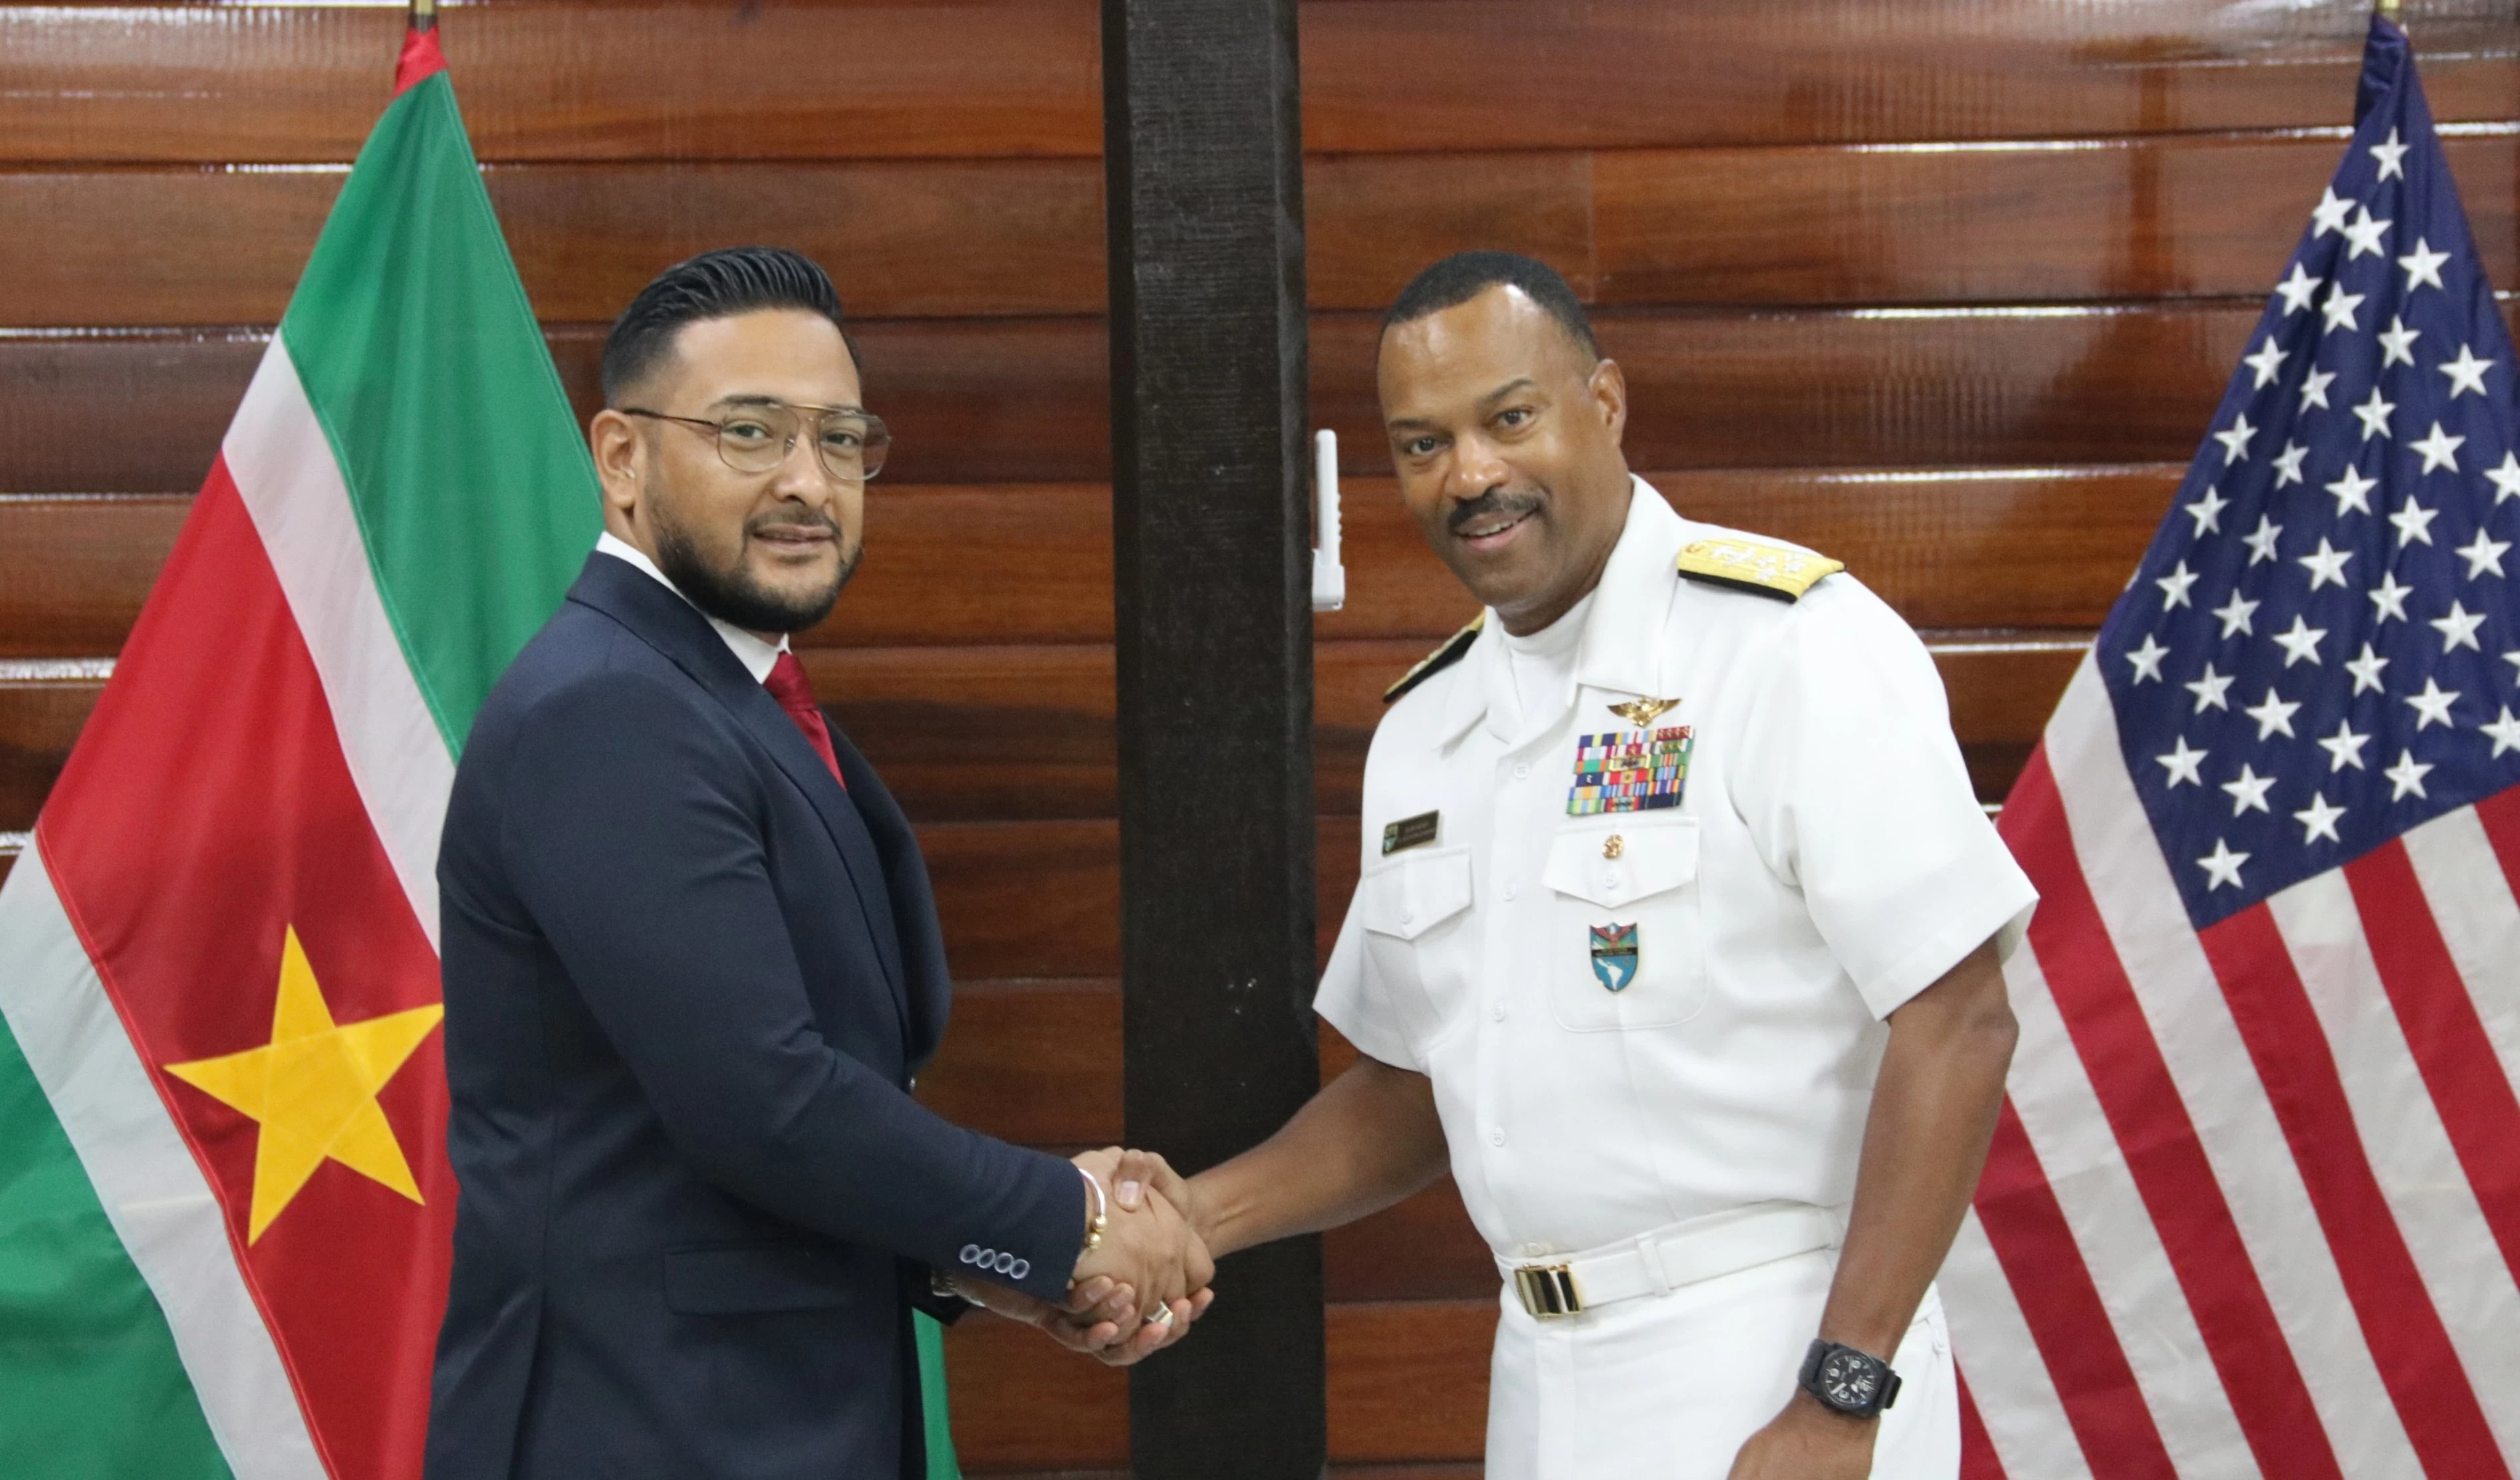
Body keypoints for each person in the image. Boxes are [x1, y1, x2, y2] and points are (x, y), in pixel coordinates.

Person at [1143, 251, 2037, 1479]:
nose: (1470, 475)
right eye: (1420, 444)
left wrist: (1842, 1392)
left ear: (1603, 403)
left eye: (1508, 417)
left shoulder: (1785, 650)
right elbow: (1415, 1089)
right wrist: (1197, 1215)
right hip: (1541, 1370)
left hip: (1775, 1343)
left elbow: (1959, 1015)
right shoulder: (1425, 733)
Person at [425, 247, 1206, 1480]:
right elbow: (765, 1102)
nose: (808, 481)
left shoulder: (729, 696)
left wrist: (977, 1259)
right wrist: (1069, 1222)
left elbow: (740, 1125)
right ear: (621, 459)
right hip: (641, 1428)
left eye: (842, 440)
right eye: (751, 432)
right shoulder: (612, 709)